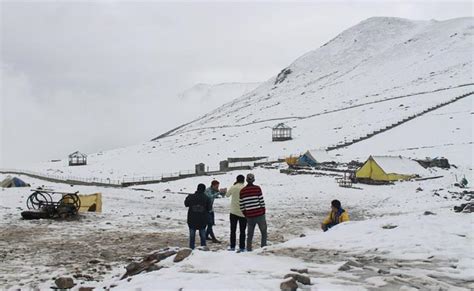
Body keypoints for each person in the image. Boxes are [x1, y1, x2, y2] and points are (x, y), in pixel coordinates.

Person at [239, 173, 267, 252]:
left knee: (250, 234)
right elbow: (261, 201)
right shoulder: (257, 188)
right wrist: (263, 211)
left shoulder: (242, 191)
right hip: (259, 214)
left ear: (246, 180)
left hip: (250, 216)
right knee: (263, 232)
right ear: (253, 180)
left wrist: (246, 214)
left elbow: (241, 205)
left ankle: (249, 249)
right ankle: (263, 247)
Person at [184, 183, 211, 249]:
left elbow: (186, 204)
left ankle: (191, 249)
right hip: (202, 220)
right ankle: (203, 249)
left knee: (192, 236)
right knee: (203, 236)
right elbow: (209, 208)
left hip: (192, 219)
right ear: (204, 190)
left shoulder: (191, 196)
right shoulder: (206, 198)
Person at [225, 174, 247, 251]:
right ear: (244, 180)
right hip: (243, 212)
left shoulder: (233, 187)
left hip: (233, 212)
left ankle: (232, 246)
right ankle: (242, 247)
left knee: (233, 230)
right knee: (242, 231)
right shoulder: (245, 188)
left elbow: (227, 195)